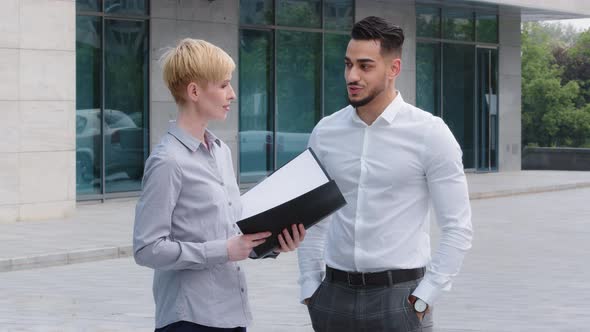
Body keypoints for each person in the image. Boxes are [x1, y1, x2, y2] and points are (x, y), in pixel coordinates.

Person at [297, 16, 473, 332]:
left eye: (365, 66)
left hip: (400, 301)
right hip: (333, 297)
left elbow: (458, 227)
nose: (352, 75)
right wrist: (311, 288)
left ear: (393, 69)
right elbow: (315, 221)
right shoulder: (325, 132)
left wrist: (424, 299)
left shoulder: (430, 134)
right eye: (348, 64)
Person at [133, 38, 306, 332]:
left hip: (232, 313)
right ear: (194, 91)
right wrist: (223, 251)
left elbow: (231, 235)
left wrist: (272, 243)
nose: (233, 94)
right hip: (189, 319)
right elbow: (147, 248)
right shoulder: (168, 161)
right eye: (224, 85)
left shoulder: (220, 152)